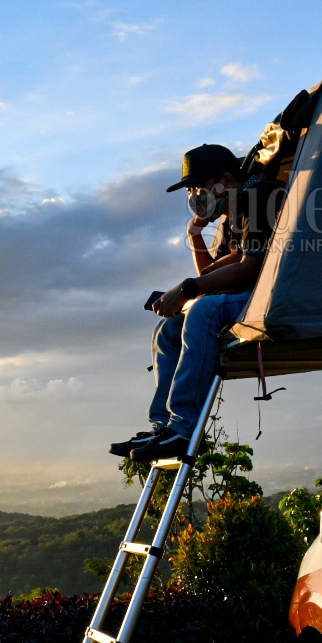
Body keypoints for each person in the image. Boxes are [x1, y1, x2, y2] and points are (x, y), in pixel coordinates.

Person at [108, 142, 287, 462]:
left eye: (197, 187)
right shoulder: (235, 208)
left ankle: (185, 427)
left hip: (277, 296)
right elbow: (228, 263)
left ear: (228, 180)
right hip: (254, 294)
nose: (193, 196)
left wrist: (189, 289)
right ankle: (165, 426)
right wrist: (183, 288)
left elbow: (250, 269)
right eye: (189, 190)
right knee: (169, 328)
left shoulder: (260, 197)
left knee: (203, 310)